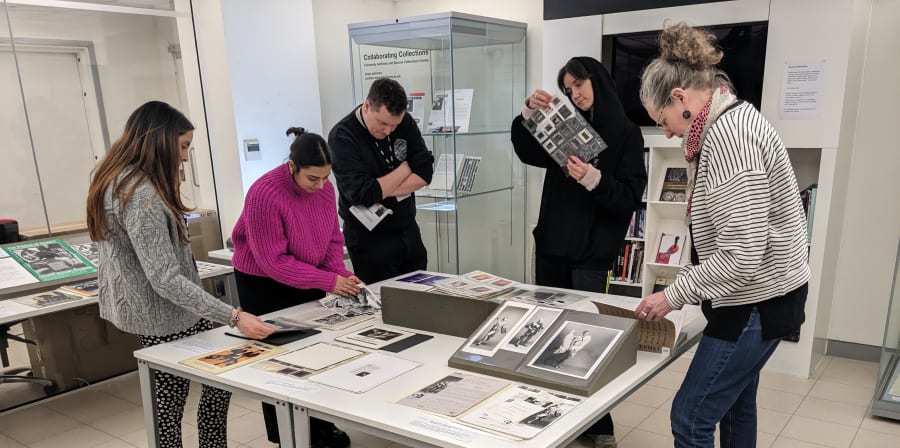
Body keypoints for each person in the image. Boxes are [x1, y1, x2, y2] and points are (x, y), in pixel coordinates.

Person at [634, 22, 810, 448]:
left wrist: (672, 294)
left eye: (664, 121)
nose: (669, 132)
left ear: (680, 99)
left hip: (757, 302)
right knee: (733, 407)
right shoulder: (723, 125)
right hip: (757, 296)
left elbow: (741, 255)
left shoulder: (730, 139)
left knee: (689, 418)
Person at [85, 101, 275, 448]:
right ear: (159, 141)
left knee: (216, 378)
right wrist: (234, 316)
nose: (186, 157)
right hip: (160, 314)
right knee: (170, 402)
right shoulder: (139, 194)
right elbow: (165, 278)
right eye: (183, 146)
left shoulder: (118, 178)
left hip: (161, 308)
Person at [510, 56, 647, 448]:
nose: (575, 94)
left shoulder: (626, 133)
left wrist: (593, 179)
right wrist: (526, 113)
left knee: (588, 340)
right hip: (552, 246)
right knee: (548, 334)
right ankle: (554, 415)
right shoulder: (568, 126)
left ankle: (599, 424)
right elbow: (526, 151)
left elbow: (627, 199)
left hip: (592, 255)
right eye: (568, 89)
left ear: (597, 80)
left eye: (579, 85)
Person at [230, 127, 359, 448]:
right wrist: (330, 281)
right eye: (312, 178)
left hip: (307, 271)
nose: (320, 186)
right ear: (292, 167)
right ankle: (286, 433)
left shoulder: (324, 190)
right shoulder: (263, 194)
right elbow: (274, 262)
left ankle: (319, 424)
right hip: (263, 282)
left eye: (325, 178)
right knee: (277, 359)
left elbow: (332, 239)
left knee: (316, 350)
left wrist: (341, 274)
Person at [328, 77, 435, 284]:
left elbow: (425, 173)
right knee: (383, 304)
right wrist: (405, 167)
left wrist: (382, 188)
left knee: (419, 298)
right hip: (370, 238)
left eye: (394, 126)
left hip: (407, 228)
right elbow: (364, 194)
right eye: (383, 123)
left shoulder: (404, 121)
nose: (388, 131)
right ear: (367, 106)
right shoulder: (342, 136)